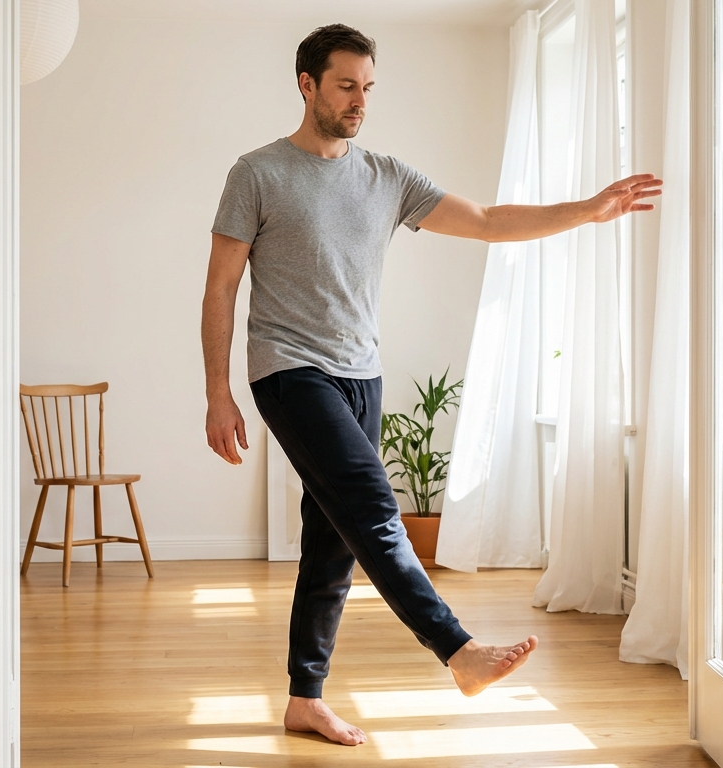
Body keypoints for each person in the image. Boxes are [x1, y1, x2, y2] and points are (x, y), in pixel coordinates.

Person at [200, 23, 662, 747]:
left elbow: (484, 221)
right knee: (375, 505)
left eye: (368, 87)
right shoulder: (257, 173)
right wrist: (217, 391)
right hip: (288, 368)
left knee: (332, 539)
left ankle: (303, 697)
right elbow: (221, 288)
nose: (360, 100)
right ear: (308, 85)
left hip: (361, 373)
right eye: (346, 85)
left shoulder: (387, 177)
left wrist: (587, 210)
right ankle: (458, 649)